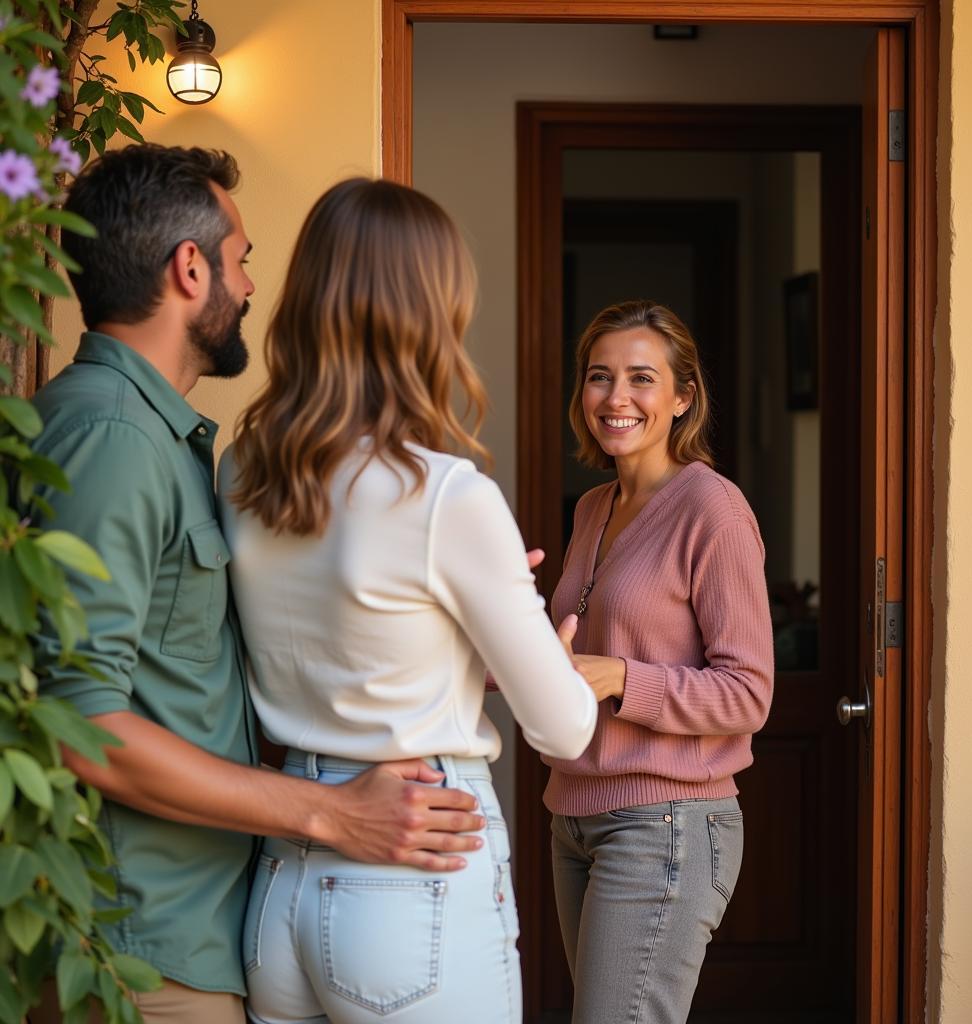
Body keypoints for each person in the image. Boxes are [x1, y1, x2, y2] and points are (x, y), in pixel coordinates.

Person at [29, 145, 492, 1024]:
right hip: (137, 948)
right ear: (189, 268)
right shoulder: (115, 440)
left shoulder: (148, 435)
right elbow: (80, 727)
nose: (249, 286)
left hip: (185, 932)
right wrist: (328, 813)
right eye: (241, 259)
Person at [218, 176, 597, 1024]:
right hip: (414, 872)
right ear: (430, 315)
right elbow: (565, 728)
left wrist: (464, 630)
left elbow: (336, 635)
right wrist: (536, 634)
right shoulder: (446, 496)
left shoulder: (242, 470)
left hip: (283, 880)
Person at [545, 300, 774, 1023]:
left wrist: (619, 679)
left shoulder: (714, 509)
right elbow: (565, 659)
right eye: (599, 377)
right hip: (573, 817)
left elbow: (748, 693)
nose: (616, 398)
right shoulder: (593, 507)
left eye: (641, 379)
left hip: (665, 823)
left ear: (682, 397)